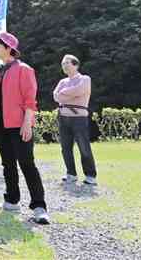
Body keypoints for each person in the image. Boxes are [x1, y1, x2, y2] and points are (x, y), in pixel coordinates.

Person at [0, 32, 50, 224]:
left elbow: (30, 99)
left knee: (26, 163)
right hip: (0, 126)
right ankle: (12, 200)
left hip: (18, 125)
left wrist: (27, 122)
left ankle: (39, 206)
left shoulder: (24, 69)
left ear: (9, 48)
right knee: (7, 164)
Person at [53, 54, 97, 185]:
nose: (64, 66)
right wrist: (66, 95)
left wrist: (63, 94)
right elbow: (56, 96)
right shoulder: (62, 82)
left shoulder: (84, 79)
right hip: (63, 117)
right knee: (65, 147)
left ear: (76, 64)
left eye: (67, 63)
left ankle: (90, 175)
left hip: (79, 118)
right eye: (63, 64)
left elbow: (79, 90)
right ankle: (71, 173)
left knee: (84, 147)